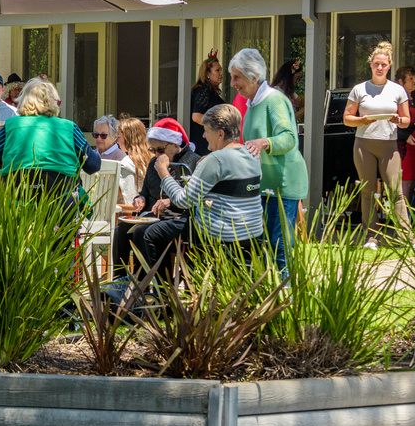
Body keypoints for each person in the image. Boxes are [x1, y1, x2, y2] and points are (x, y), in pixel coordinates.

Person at [145, 104, 264, 275]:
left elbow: (183, 201)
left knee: (152, 234)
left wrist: (164, 173)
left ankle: (162, 294)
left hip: (219, 237)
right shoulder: (253, 155)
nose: (203, 135)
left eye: (207, 130)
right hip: (251, 236)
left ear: (220, 134)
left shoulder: (215, 160)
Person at [228, 48, 309, 273]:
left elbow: (289, 138)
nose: (233, 83)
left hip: (283, 185)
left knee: (280, 249)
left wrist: (264, 142)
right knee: (265, 250)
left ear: (254, 77)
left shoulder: (274, 100)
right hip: (264, 186)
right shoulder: (252, 103)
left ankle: (287, 301)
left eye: (237, 77)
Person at [343, 41, 413, 250]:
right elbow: (347, 118)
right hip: (364, 144)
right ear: (371, 65)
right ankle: (371, 238)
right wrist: (362, 121)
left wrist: (398, 121)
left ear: (389, 65)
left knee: (395, 192)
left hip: (389, 145)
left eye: (383, 64)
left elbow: (407, 119)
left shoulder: (397, 90)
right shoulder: (359, 89)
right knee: (368, 192)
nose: (380, 68)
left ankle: (408, 238)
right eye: (376, 64)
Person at [0, 77, 100, 202]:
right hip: (62, 207)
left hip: (18, 204)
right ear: (53, 103)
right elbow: (93, 165)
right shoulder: (69, 128)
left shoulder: (10, 126)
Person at [113, 118, 200, 278]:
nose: (157, 155)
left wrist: (170, 202)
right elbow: (146, 190)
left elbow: (194, 198)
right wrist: (141, 199)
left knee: (142, 232)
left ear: (175, 143)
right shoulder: (154, 162)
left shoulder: (192, 162)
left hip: (178, 218)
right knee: (120, 230)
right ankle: (119, 280)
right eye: (153, 150)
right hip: (153, 216)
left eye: (160, 149)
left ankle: (150, 283)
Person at [394, 66, 415, 206]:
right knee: (406, 183)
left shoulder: (413, 98)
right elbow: (392, 123)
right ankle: (402, 221)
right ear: (401, 82)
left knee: (412, 184)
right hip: (403, 146)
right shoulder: (396, 99)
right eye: (410, 78)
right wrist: (404, 136)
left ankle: (409, 220)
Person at [189, 51, 225, 155]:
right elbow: (196, 116)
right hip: (202, 144)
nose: (221, 73)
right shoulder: (203, 90)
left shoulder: (209, 91)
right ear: (207, 74)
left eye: (221, 70)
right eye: (217, 70)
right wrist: (216, 126)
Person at [116, 117, 152, 205]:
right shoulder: (152, 158)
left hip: (133, 215)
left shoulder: (126, 164)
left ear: (127, 138)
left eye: (119, 137)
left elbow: (129, 198)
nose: (117, 141)